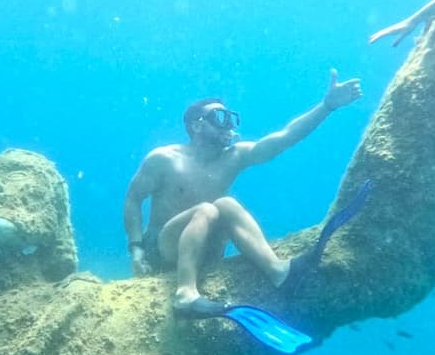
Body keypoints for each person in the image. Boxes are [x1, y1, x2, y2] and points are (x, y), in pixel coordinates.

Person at [123, 70, 362, 316]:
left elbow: (283, 138)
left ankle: (279, 272)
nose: (228, 125)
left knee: (225, 204)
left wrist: (327, 106)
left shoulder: (235, 156)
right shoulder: (164, 159)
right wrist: (136, 249)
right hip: (164, 249)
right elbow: (133, 199)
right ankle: (185, 293)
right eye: (219, 117)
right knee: (207, 209)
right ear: (196, 125)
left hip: (207, 249)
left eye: (231, 118)